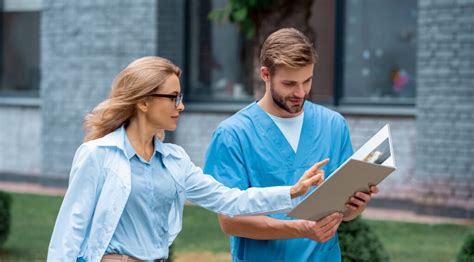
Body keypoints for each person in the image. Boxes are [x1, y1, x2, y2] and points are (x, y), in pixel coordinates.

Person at [47, 56, 329, 261]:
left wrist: (292, 192)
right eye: (173, 97)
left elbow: (230, 200)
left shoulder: (174, 160)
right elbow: (68, 234)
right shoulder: (98, 155)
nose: (181, 106)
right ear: (143, 102)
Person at [204, 28, 379, 261]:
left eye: (307, 81)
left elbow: (343, 210)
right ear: (265, 75)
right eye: (289, 83)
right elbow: (230, 222)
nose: (300, 92)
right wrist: (301, 229)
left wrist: (355, 207)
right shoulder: (233, 134)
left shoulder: (333, 125)